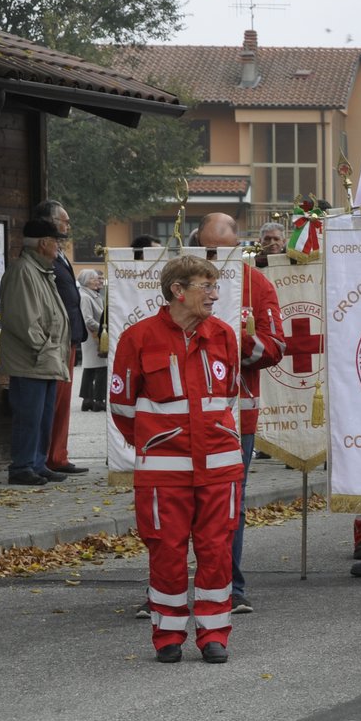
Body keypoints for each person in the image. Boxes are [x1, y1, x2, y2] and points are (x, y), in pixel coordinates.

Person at [109, 255, 244, 663]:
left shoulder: (223, 335)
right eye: (206, 287)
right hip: (163, 473)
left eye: (215, 286)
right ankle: (167, 634)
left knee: (217, 549)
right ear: (178, 291)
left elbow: (230, 394)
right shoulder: (138, 338)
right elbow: (122, 408)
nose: (215, 295)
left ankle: (214, 634)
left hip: (220, 468)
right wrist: (156, 445)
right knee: (166, 551)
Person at [197, 213, 286, 613]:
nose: (214, 257)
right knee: (183, 502)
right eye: (207, 249)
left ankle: (231, 586)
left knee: (230, 501)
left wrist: (236, 340)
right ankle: (169, 586)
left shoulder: (257, 284)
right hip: (182, 417)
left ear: (239, 246)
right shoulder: (180, 279)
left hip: (236, 414)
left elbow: (276, 348)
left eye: (222, 249)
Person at [0, 220, 72, 486]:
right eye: (56, 241)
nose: (59, 247)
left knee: (42, 417)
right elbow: (23, 321)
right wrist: (45, 349)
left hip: (45, 358)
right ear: (43, 243)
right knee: (28, 417)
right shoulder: (24, 271)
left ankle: (37, 463)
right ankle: (22, 466)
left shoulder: (40, 270)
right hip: (33, 359)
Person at [31, 200, 87, 476]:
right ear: (50, 223)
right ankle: (49, 456)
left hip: (70, 336)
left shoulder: (61, 253)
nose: (68, 225)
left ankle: (58, 454)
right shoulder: (45, 257)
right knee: (55, 401)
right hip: (57, 338)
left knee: (63, 402)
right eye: (64, 220)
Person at [77, 269, 107, 411]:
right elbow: (88, 320)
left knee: (90, 368)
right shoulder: (85, 297)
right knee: (101, 368)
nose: (97, 281)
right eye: (94, 279)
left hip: (94, 336)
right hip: (94, 337)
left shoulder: (93, 295)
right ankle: (98, 400)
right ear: (86, 281)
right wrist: (104, 330)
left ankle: (88, 400)